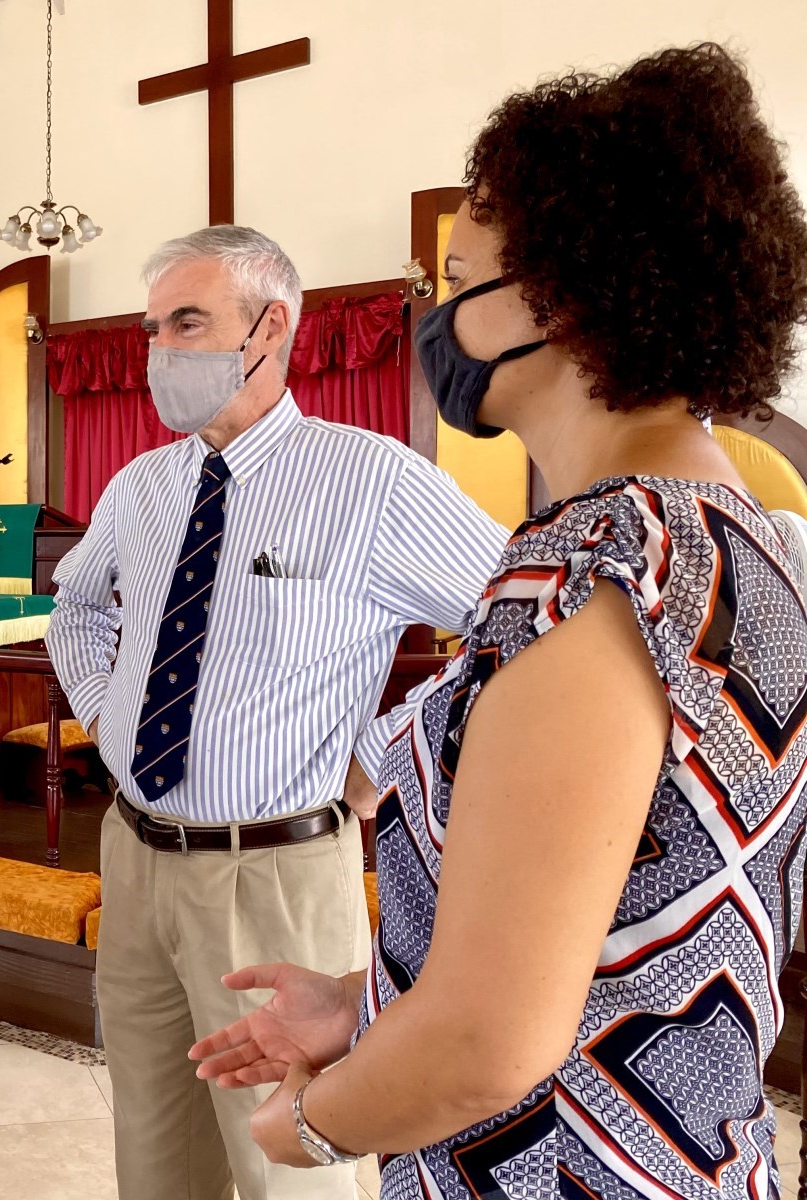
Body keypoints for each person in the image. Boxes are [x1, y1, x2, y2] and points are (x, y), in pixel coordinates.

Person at [190, 44, 807, 1200]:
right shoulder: (735, 536)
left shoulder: (598, 575)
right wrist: (362, 1004)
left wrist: (310, 1128)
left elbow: (487, 1045)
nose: (439, 313)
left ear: (562, 296)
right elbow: (597, 930)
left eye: (458, 276)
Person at [44, 225, 511, 1200]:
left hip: (276, 883)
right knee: (155, 1157)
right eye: (150, 331)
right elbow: (78, 606)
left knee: (290, 1174)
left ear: (268, 328)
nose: (157, 353)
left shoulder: (368, 481)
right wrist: (106, 714)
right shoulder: (140, 488)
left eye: (186, 324)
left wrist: (383, 750)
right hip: (134, 862)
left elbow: (528, 620)